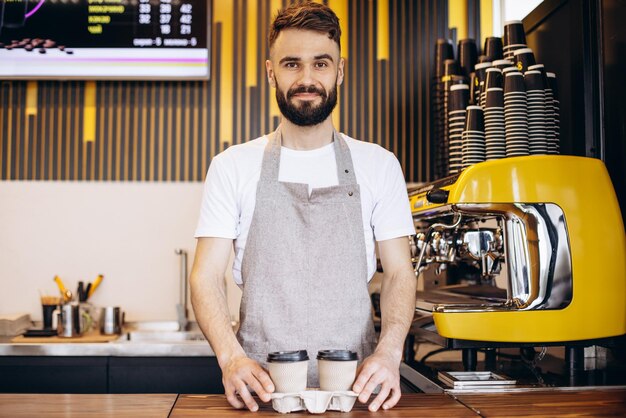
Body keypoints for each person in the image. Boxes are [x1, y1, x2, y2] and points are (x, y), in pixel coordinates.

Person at [190, 2, 416, 413]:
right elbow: (205, 275)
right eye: (292, 64)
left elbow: (400, 271)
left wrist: (389, 354)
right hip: (260, 393)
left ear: (340, 71)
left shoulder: (379, 165)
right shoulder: (232, 166)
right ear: (270, 71)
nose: (307, 79)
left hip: (358, 392)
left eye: (321, 64)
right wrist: (230, 357)